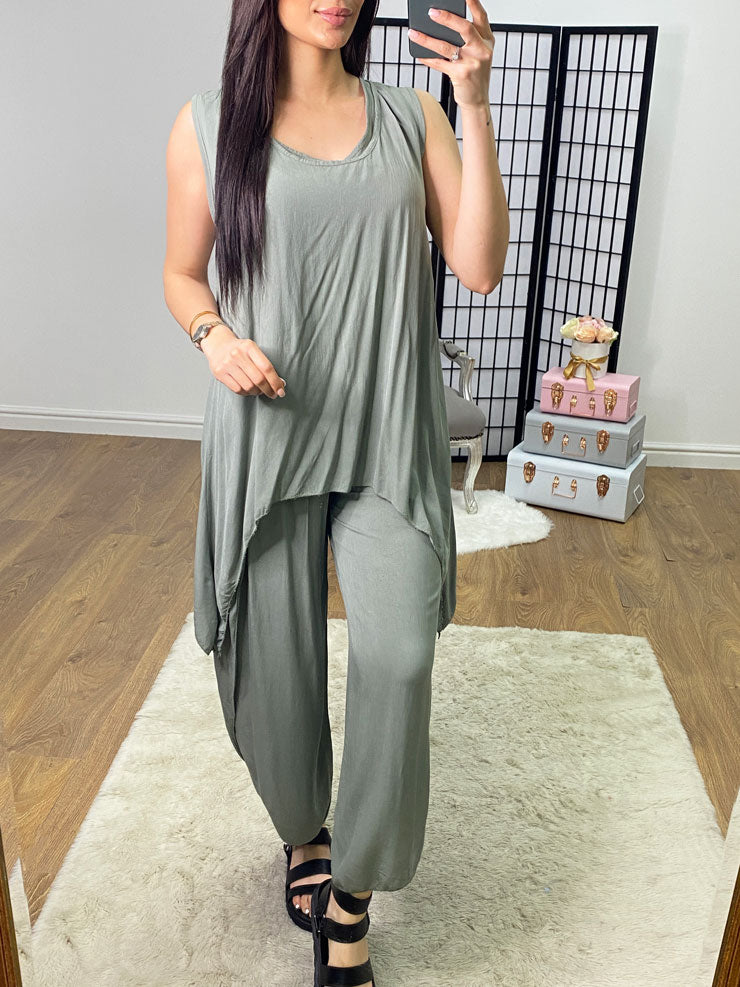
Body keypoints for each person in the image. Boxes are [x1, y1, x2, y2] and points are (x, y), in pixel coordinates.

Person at [163, 0, 508, 981]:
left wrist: (475, 101)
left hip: (387, 438)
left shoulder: (412, 117)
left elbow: (479, 267)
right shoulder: (207, 124)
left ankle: (350, 894)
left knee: (399, 655)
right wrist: (215, 339)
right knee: (271, 681)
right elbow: (182, 274)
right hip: (267, 435)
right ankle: (303, 833)